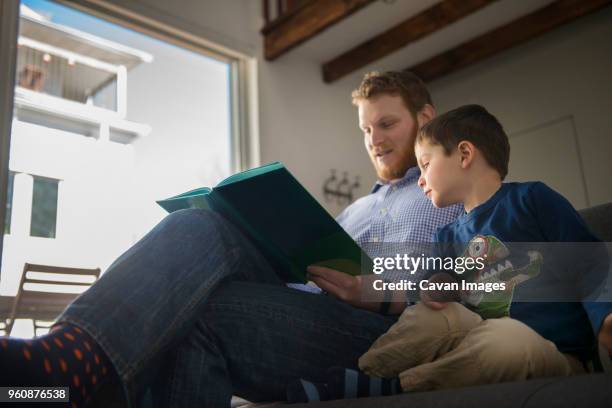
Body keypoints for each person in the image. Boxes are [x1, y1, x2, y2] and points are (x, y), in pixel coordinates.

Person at [0, 71, 463, 407]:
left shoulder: (458, 190)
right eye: (365, 129)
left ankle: (57, 374)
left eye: (386, 125)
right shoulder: (356, 209)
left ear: (425, 117)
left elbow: (518, 278)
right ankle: (67, 359)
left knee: (199, 311)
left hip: (383, 332)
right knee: (198, 226)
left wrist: (384, 293)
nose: (374, 140)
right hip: (306, 310)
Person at [286, 104, 612, 403]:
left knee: (505, 338)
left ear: (465, 154)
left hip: (554, 353)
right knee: (433, 315)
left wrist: (606, 318)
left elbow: (590, 264)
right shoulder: (446, 235)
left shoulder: (531, 199)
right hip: (475, 335)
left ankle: (397, 388)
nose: (421, 180)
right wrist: (433, 286)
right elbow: (428, 295)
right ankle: (364, 374)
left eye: (425, 165)